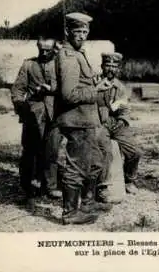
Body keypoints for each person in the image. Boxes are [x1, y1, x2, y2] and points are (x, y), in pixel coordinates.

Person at [53, 12, 114, 225]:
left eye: (85, 31)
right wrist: (96, 89)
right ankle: (70, 213)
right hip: (76, 120)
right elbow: (69, 95)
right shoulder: (68, 56)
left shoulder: (78, 53)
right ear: (67, 32)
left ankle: (87, 204)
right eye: (77, 31)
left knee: (95, 160)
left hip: (87, 119)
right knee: (76, 166)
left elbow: (81, 83)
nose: (82, 36)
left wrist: (93, 84)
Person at [11, 37, 62, 208]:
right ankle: (28, 188)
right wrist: (21, 107)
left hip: (55, 114)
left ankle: (50, 186)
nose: (44, 52)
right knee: (30, 151)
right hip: (33, 114)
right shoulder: (28, 65)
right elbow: (18, 89)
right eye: (41, 49)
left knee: (52, 150)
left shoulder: (60, 64)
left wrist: (52, 89)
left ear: (55, 49)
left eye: (48, 49)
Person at [95, 52, 142, 196]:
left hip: (115, 124)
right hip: (98, 123)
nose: (110, 69)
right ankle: (102, 187)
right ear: (102, 66)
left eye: (114, 66)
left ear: (118, 69)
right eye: (107, 65)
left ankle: (129, 180)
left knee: (135, 151)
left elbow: (124, 108)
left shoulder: (120, 87)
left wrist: (122, 120)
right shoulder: (94, 83)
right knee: (105, 150)